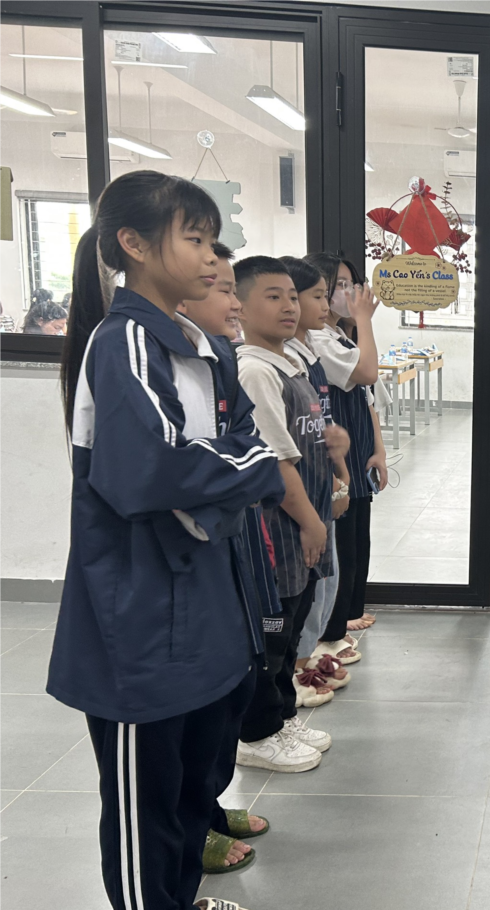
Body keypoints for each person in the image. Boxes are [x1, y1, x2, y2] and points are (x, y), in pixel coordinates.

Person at [47, 170, 282, 910]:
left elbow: (240, 440)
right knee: (145, 811)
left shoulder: (198, 345)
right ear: (135, 244)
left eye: (214, 240)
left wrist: (225, 477)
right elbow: (153, 471)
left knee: (187, 795)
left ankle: (180, 909)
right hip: (140, 619)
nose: (214, 258)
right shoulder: (123, 344)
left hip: (202, 607)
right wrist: (240, 473)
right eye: (196, 239)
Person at [177, 241, 280, 874]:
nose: (234, 303)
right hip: (200, 554)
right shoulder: (156, 363)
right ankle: (193, 827)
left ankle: (211, 807)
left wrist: (242, 470)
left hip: (234, 551)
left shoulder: (219, 363)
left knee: (233, 686)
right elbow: (192, 473)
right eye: (222, 290)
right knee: (196, 713)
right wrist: (242, 472)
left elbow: (252, 450)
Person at [234, 255, 345, 772]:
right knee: (272, 631)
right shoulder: (255, 371)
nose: (289, 306)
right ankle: (257, 733)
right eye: (272, 296)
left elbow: (303, 441)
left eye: (292, 297)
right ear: (241, 305)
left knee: (294, 622)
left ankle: (280, 716)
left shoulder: (290, 365)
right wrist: (310, 522)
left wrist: (334, 451)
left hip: (304, 523)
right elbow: (276, 463)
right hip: (279, 530)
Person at [305, 252, 386, 648]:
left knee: (357, 540)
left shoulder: (340, 335)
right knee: (342, 545)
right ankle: (333, 629)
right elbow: (367, 372)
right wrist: (364, 320)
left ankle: (349, 613)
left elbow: (368, 397)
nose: (348, 293)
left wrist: (379, 449)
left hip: (357, 450)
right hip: (338, 456)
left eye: (351, 284)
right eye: (337, 286)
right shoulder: (319, 339)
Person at [281, 255, 353, 698]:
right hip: (299, 496)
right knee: (301, 586)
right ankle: (294, 666)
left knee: (325, 580)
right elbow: (282, 451)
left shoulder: (308, 355)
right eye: (318, 295)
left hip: (320, 484)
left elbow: (322, 430)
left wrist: (339, 475)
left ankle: (305, 656)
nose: (325, 304)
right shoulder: (271, 365)